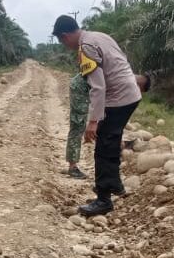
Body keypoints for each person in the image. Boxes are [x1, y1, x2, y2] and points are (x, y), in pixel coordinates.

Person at [52, 15, 141, 216]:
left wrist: (93, 121)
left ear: (64, 36)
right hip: (131, 94)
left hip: (118, 98)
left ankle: (103, 199)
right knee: (113, 138)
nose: (65, 46)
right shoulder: (99, 36)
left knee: (103, 147)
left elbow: (98, 88)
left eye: (61, 41)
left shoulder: (86, 48)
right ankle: (115, 184)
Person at [65, 67, 91, 179]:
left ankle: (72, 164)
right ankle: (72, 167)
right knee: (78, 124)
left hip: (82, 83)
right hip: (81, 86)